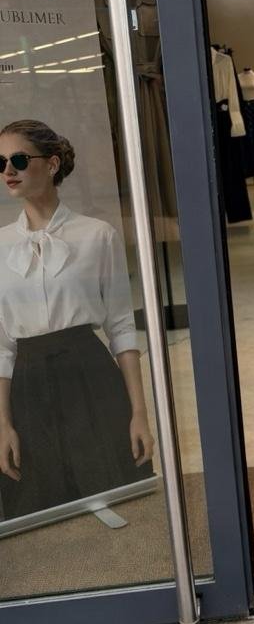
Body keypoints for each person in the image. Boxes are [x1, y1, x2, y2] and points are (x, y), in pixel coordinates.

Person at [0, 119, 155, 521]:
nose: (8, 170)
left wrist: (139, 413)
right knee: (37, 512)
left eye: (19, 159)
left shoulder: (98, 235)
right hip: (28, 389)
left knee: (120, 501)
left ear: (52, 164)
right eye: (0, 163)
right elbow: (1, 347)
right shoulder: (0, 246)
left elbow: (121, 327)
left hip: (91, 378)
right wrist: (3, 424)